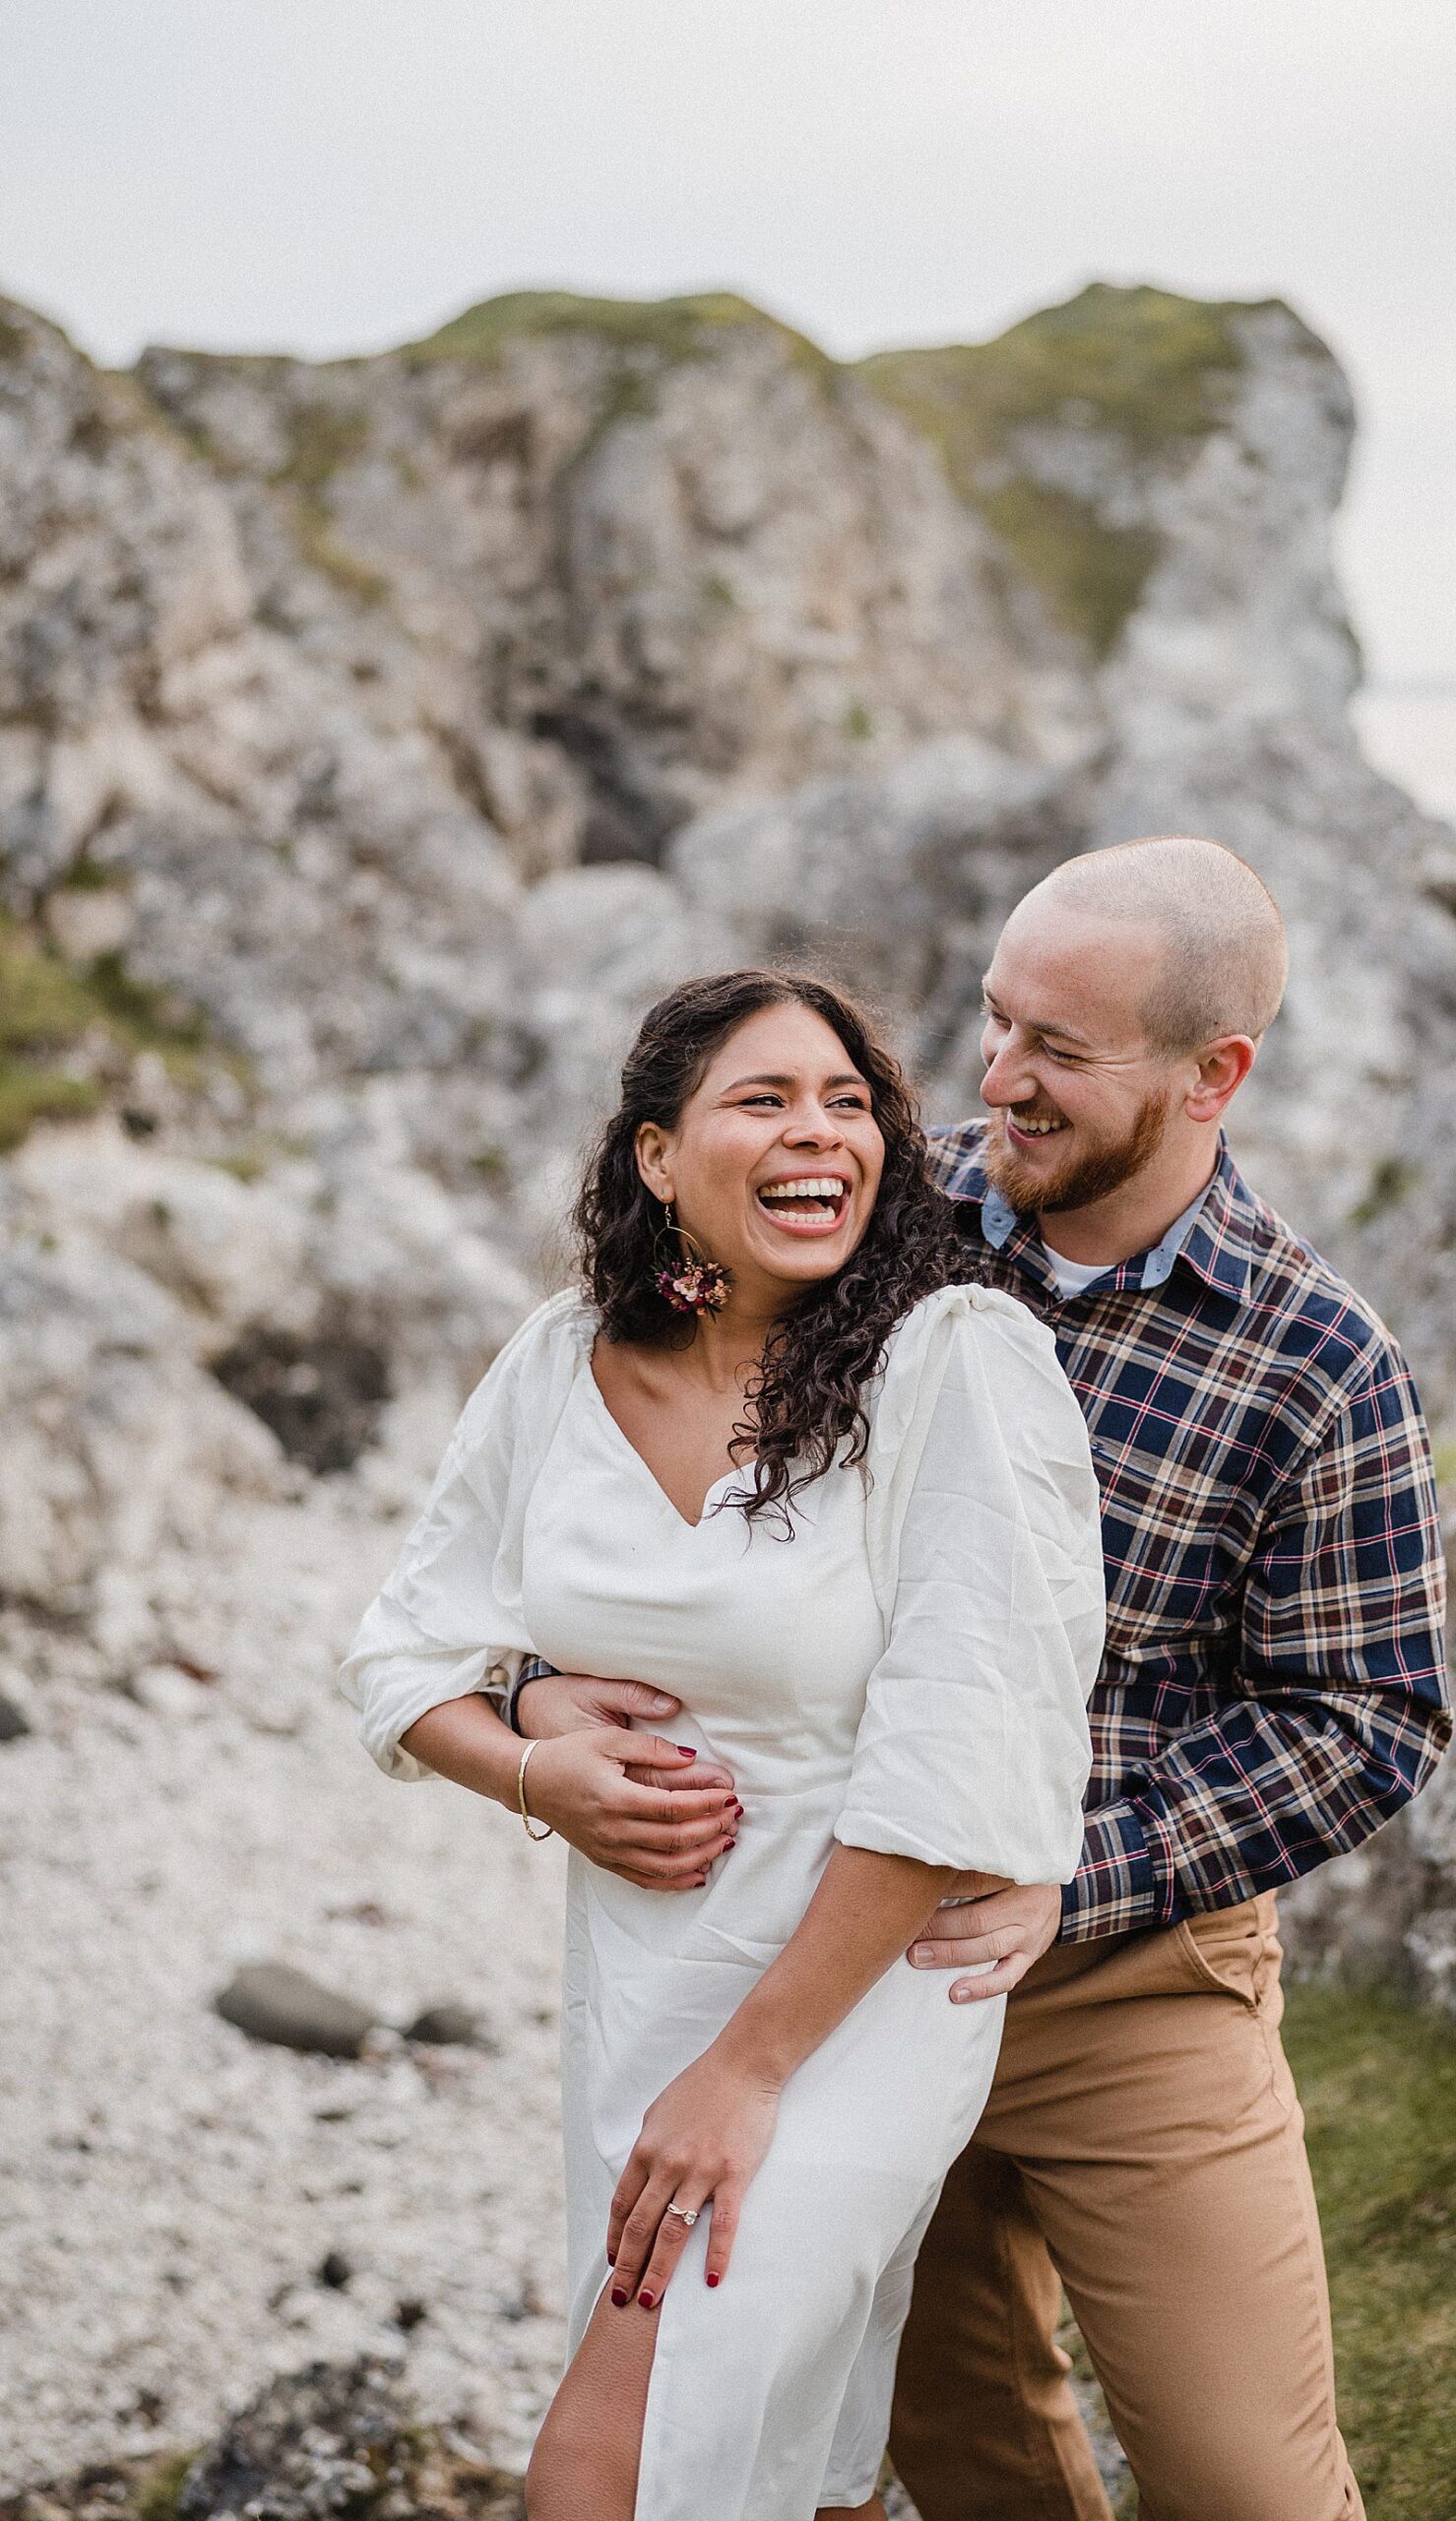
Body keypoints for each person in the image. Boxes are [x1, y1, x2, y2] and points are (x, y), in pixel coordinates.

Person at [512, 837, 1452, 2521]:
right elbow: (604, 1459)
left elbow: (1370, 1718)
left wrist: (1072, 1870)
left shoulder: (1320, 1361)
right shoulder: (872, 1216)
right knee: (952, 2463)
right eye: (999, 1024)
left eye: (1059, 1054)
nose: (996, 1080)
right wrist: (528, 1694)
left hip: (1131, 1984)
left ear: (1211, 1075)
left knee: (1252, 2484)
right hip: (830, 1954)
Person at [340, 968, 1105, 2521]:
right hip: (639, 1984)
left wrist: (748, 2071)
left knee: (633, 2434)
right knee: (774, 2430)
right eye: (762, 1100)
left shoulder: (952, 1357)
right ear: (655, 1156)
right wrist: (533, 1762)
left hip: (865, 1988)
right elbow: (400, 1652)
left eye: (847, 1104)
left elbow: (960, 1746)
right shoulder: (558, 1360)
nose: (819, 1135)